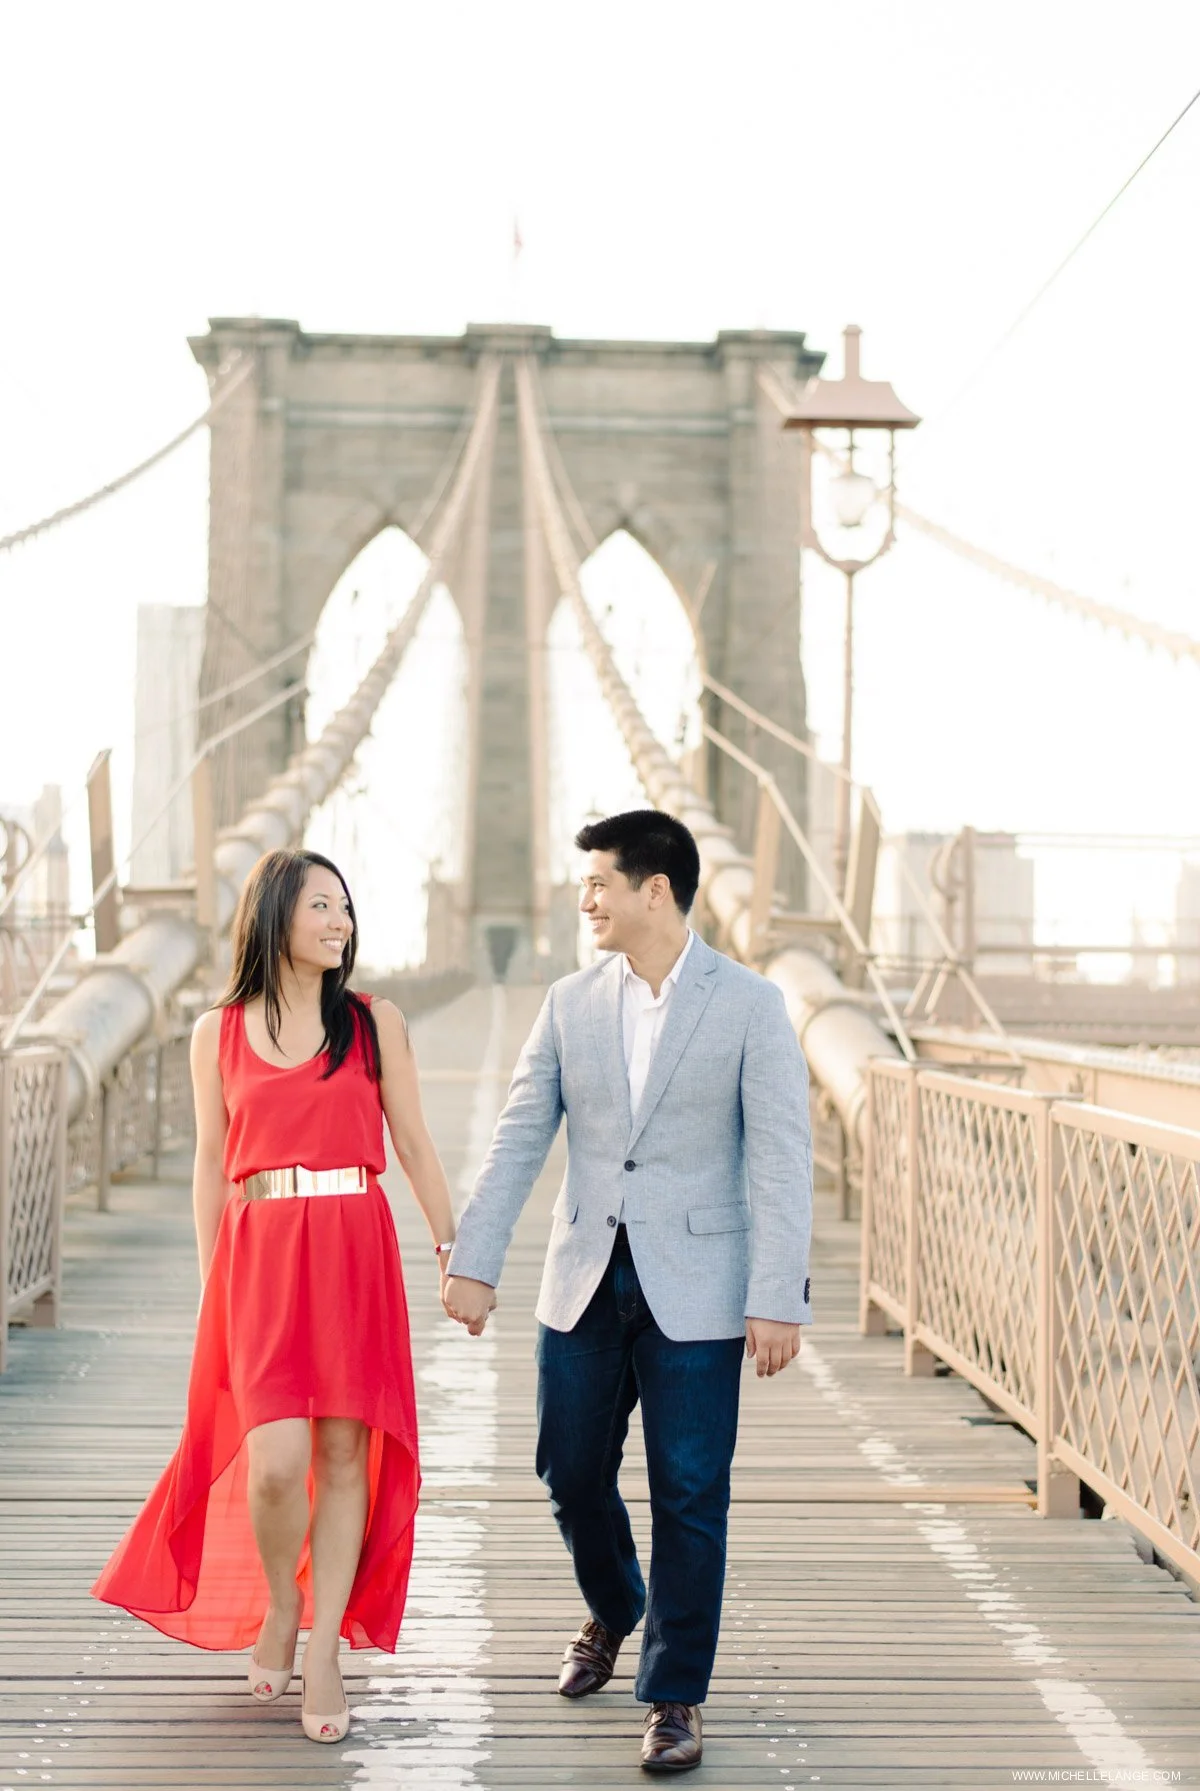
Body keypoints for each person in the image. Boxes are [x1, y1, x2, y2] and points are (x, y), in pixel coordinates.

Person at [443, 808, 812, 1774]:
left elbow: (781, 1155)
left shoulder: (750, 1004)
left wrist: (778, 1292)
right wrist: (475, 1258)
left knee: (691, 1493)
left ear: (657, 889)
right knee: (568, 1471)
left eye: (600, 881)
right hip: (582, 1278)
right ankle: (615, 1607)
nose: (585, 898)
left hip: (701, 1283)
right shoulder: (570, 1000)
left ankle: (675, 1692)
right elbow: (522, 1132)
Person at [92, 847, 458, 1745]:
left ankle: (324, 1645)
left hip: (352, 1249)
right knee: (275, 1464)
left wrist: (454, 1246)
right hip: (260, 1256)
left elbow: (410, 1139)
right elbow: (211, 1168)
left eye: (345, 905)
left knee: (341, 1456)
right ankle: (281, 1600)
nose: (339, 921)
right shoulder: (214, 1033)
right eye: (320, 907)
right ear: (274, 918)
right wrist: (213, 1279)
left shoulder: (376, 1021)